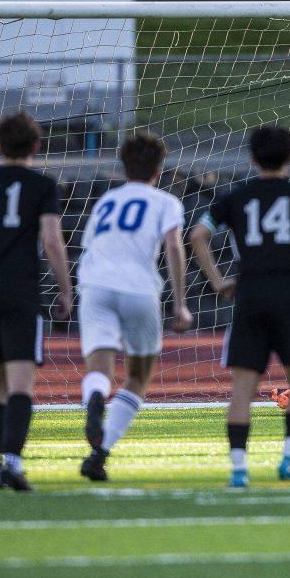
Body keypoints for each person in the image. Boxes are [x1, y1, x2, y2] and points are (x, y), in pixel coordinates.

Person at [189, 124, 290, 488]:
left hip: (249, 296)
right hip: (288, 294)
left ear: (252, 158)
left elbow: (197, 235)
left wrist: (219, 281)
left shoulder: (235, 196)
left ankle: (239, 469)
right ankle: (289, 459)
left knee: (243, 388)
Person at [0, 111, 73, 491]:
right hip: (21, 293)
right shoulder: (42, 186)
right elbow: (52, 241)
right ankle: (14, 463)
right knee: (21, 383)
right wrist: (66, 288)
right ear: (36, 146)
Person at [77, 131, 193, 481]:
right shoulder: (166, 202)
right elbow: (173, 246)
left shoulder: (106, 201)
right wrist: (180, 302)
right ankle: (101, 452)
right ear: (160, 169)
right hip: (138, 289)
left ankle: (95, 398)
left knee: (100, 366)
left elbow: (90, 246)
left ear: (123, 167)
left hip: (95, 284)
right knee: (138, 377)